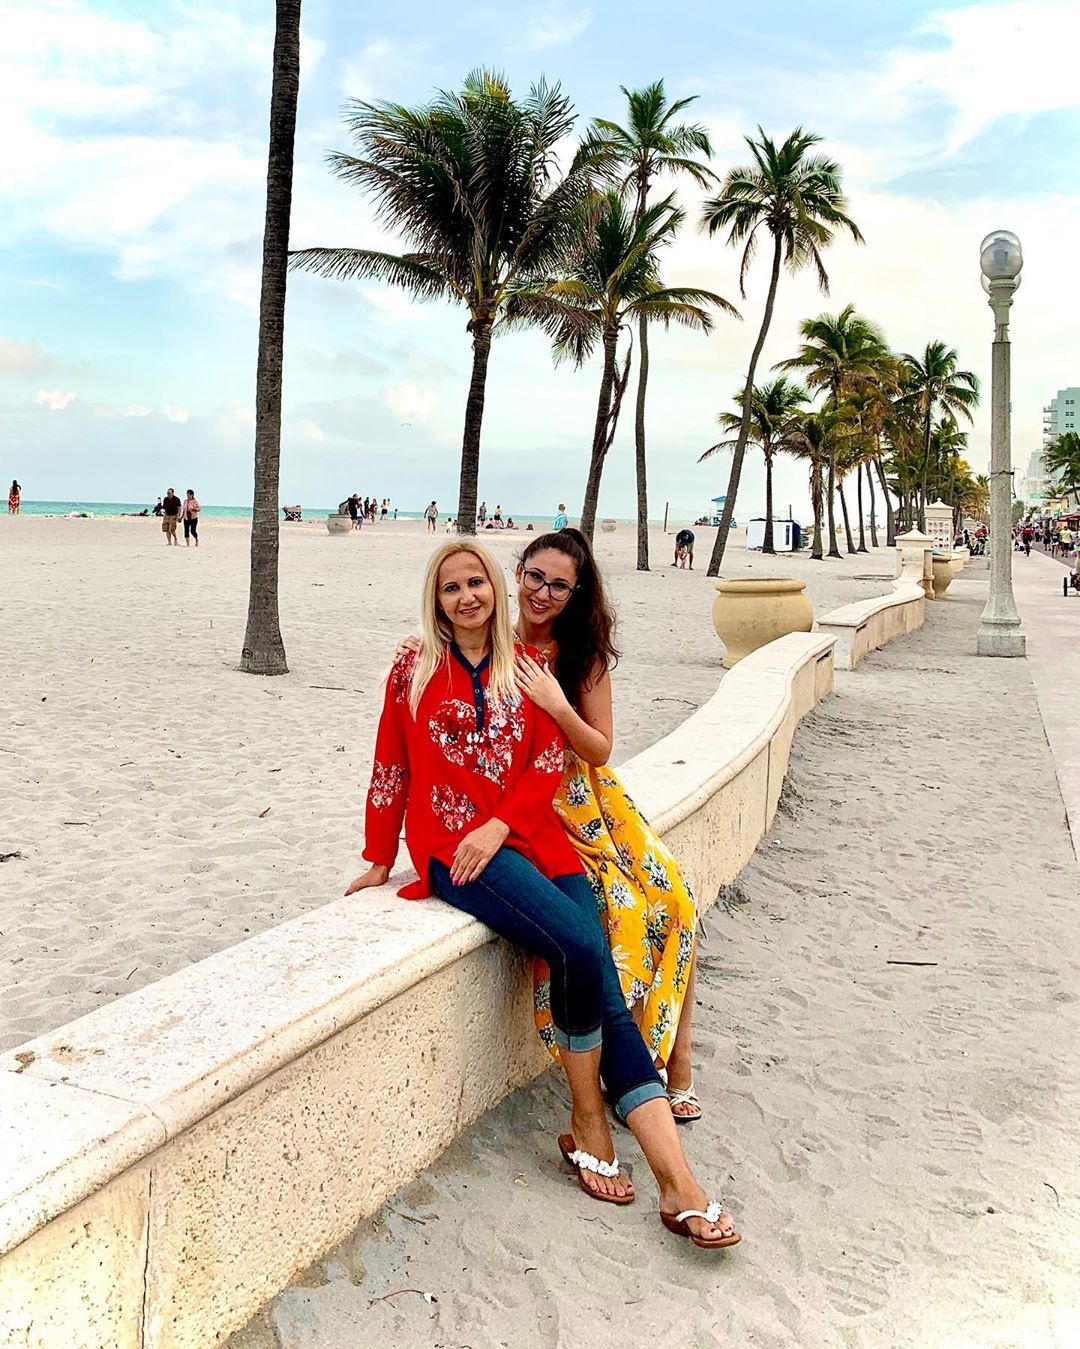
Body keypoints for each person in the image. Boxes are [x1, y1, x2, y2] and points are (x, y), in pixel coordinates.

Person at [352, 542, 738, 1246]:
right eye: (451, 587)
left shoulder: (524, 666)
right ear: (436, 599)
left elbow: (547, 759)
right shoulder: (413, 667)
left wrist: (501, 823)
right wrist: (380, 856)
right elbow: (391, 760)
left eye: (476, 582)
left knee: (600, 976)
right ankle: (591, 1121)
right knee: (582, 944)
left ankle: (676, 1179)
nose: (467, 596)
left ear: (495, 589)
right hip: (454, 848)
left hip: (533, 837)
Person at [395, 528, 703, 1123]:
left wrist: (558, 705)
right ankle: (622, 1067)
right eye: (534, 577)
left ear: (576, 592)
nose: (542, 593)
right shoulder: (495, 635)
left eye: (559, 586)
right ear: (516, 573)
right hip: (514, 803)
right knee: (603, 918)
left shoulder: (581, 655)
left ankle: (678, 1061)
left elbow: (600, 749)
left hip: (580, 798)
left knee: (673, 899)